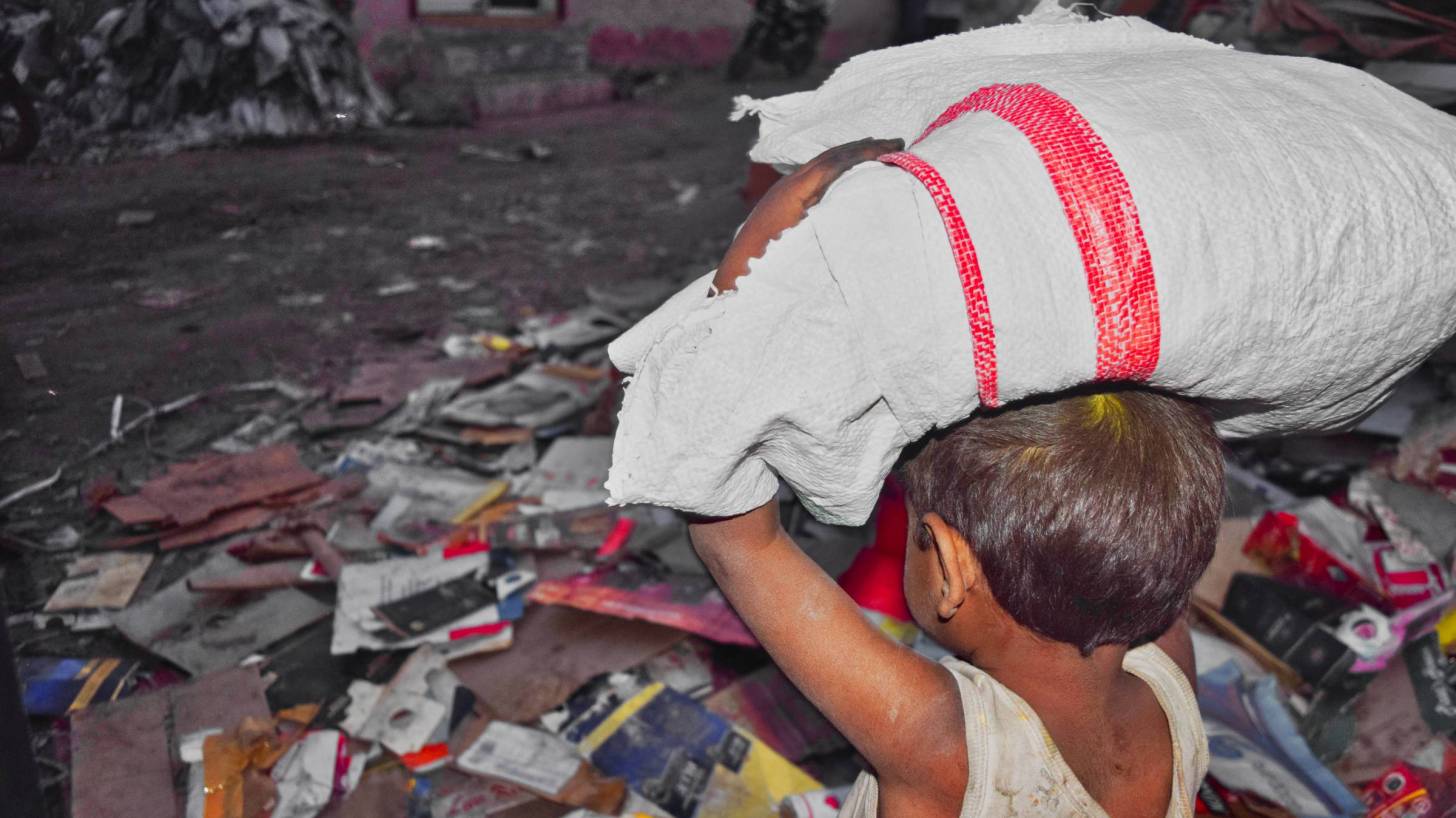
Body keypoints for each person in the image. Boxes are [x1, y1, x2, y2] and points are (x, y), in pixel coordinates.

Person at [690, 139, 1222, 818]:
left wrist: (768, 231)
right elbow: (1147, 470)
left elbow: (737, 540)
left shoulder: (948, 747)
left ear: (949, 563)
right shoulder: (1170, 682)